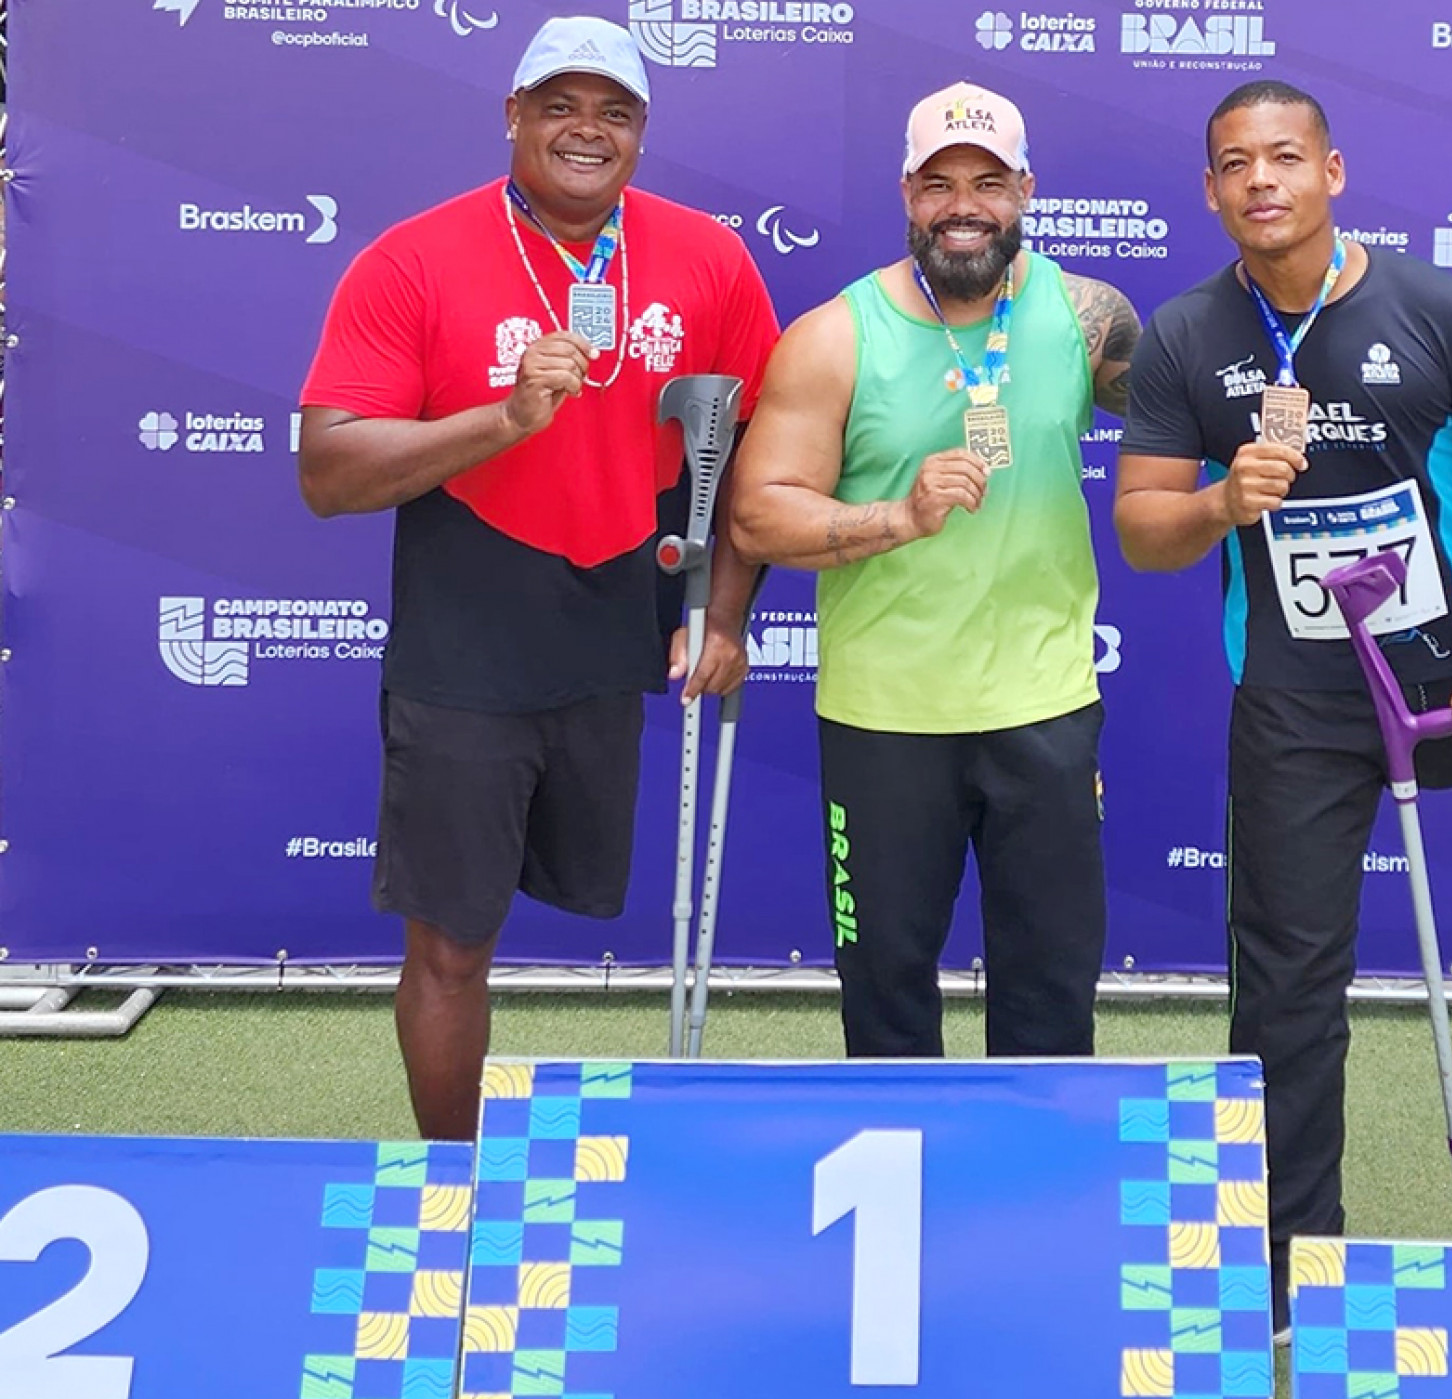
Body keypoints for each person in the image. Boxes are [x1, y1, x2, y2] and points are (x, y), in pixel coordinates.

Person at [1114, 80, 1452, 1336]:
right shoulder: (1185, 333)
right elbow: (1144, 526)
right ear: (1208, 191)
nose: (1260, 181)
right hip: (1296, 697)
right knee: (1285, 985)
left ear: (1332, 171)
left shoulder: (1431, 308)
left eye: (1283, 158)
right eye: (1233, 165)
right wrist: (1218, 503)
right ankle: (1284, 1267)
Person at [296, 15, 779, 1141]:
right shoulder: (412, 257)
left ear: (642, 135)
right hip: (469, 623)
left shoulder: (706, 256)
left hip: (619, 613)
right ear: (511, 116)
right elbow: (327, 470)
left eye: (613, 111)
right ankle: (453, 1177)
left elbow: (760, 452)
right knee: (453, 941)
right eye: (558, 105)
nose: (585, 131)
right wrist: (502, 418)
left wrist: (721, 612)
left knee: (586, 911)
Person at [730, 81, 1139, 1059]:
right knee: (885, 998)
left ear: (1025, 190)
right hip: (885, 721)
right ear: (907, 193)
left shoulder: (1089, 318)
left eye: (987, 182)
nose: (964, 204)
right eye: (938, 182)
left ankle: (1034, 1197)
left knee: (1050, 997)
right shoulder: (836, 335)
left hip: (1044, 709)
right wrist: (897, 516)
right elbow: (755, 513)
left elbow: (1189, 421)